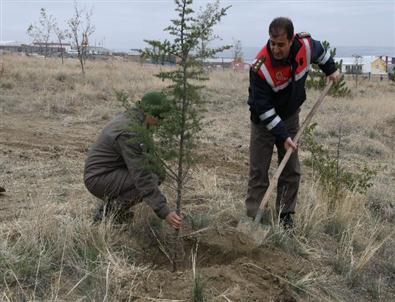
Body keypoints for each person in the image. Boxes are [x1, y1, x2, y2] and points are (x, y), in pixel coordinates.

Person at [245, 17, 341, 228]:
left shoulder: (305, 47)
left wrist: (331, 70)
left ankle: (285, 216)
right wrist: (283, 136)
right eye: (272, 43)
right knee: (259, 171)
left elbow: (321, 53)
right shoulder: (260, 68)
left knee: (290, 169)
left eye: (280, 44)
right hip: (263, 122)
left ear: (291, 40)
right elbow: (263, 108)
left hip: (290, 116)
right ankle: (254, 218)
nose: (275, 49)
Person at [84, 91, 182, 229]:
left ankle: (118, 210)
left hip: (110, 171)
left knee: (157, 173)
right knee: (148, 179)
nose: (161, 123)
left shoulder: (137, 119)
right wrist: (164, 211)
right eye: (160, 118)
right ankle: (106, 216)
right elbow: (142, 175)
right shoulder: (130, 132)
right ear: (149, 112)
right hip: (98, 177)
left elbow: (146, 159)